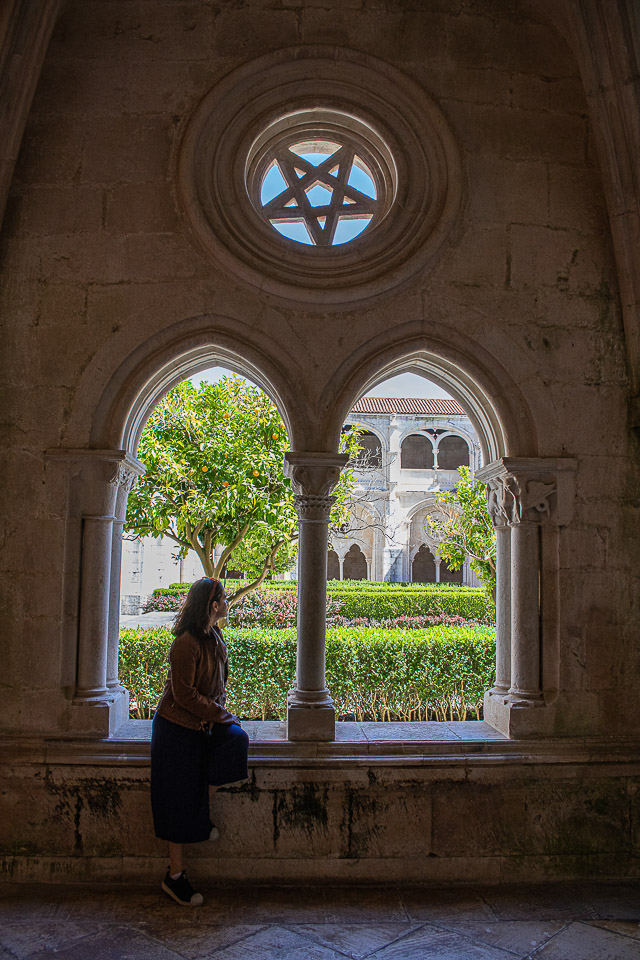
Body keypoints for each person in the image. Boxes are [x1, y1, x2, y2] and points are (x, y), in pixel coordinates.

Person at [150, 576, 249, 906]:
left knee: (237, 742)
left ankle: (201, 808)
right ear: (213, 605)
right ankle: (174, 877)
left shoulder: (212, 634)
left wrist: (219, 716)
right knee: (176, 800)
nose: (228, 600)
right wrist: (220, 715)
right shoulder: (187, 642)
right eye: (224, 597)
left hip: (203, 720)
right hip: (176, 728)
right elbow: (183, 694)